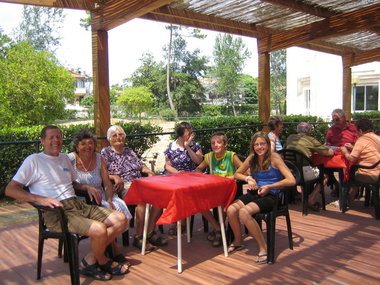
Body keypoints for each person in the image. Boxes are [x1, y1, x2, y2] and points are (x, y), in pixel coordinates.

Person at [5, 125, 129, 281]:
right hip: (56, 212)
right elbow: (10, 190)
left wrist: (86, 187)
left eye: (58, 137)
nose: (56, 140)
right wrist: (40, 199)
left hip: (77, 204)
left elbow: (73, 183)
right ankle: (103, 260)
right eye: (51, 137)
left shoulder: (64, 158)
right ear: (42, 141)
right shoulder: (34, 160)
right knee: (99, 229)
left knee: (120, 220)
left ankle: (90, 260)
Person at [227, 132, 295, 264]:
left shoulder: (274, 158)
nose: (259, 147)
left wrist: (270, 186)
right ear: (253, 146)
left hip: (272, 195)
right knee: (231, 210)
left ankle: (263, 247)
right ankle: (238, 240)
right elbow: (237, 173)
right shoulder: (252, 158)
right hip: (255, 193)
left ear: (268, 145)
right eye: (256, 144)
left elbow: (291, 180)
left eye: (262, 144)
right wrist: (249, 178)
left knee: (244, 212)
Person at [68, 129, 132, 265]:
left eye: (90, 143)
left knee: (117, 205)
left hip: (101, 195)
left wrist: (109, 198)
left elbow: (107, 182)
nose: (87, 146)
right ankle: (113, 250)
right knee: (108, 215)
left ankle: (98, 252)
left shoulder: (98, 157)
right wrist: (84, 187)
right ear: (77, 146)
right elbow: (68, 184)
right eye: (83, 144)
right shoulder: (70, 159)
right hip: (82, 200)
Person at [101, 125, 167, 251]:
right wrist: (114, 176)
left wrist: (149, 171)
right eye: (114, 135)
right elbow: (102, 172)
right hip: (123, 185)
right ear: (109, 139)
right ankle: (139, 236)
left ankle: (150, 232)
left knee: (160, 197)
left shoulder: (129, 151)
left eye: (121, 134)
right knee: (141, 201)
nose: (118, 137)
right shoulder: (106, 153)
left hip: (139, 182)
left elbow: (140, 166)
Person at [194, 132, 243, 247]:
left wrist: (232, 177)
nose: (215, 145)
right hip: (214, 190)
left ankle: (219, 232)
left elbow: (245, 170)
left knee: (221, 204)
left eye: (219, 142)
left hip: (230, 190)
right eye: (213, 143)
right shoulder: (209, 156)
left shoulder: (231, 156)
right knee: (198, 202)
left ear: (225, 144)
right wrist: (203, 177)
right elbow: (198, 169)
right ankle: (218, 228)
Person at [163, 121, 203, 235]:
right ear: (180, 135)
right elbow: (167, 165)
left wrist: (188, 147)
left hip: (192, 175)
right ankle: (177, 220)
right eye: (188, 134)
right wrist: (177, 173)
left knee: (183, 191)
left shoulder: (195, 146)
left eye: (191, 133)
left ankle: (180, 222)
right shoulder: (171, 147)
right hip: (175, 175)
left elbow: (198, 161)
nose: (191, 136)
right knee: (173, 192)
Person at [286, 122, 334, 211]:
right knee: (325, 176)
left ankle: (304, 197)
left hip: (292, 172)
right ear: (308, 130)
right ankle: (311, 199)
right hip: (305, 173)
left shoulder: (290, 138)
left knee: (305, 168)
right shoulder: (310, 139)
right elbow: (328, 152)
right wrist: (331, 148)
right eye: (311, 130)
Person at [341, 119, 380, 204]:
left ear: (361, 131)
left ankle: (348, 201)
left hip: (369, 174)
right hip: (378, 172)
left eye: (356, 131)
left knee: (349, 177)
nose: (356, 133)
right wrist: (353, 147)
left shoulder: (361, 140)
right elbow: (369, 150)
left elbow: (352, 159)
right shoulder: (377, 138)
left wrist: (345, 152)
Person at [325, 109, 358, 196]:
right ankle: (337, 186)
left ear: (344, 118)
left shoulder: (353, 129)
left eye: (337, 119)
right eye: (333, 120)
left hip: (350, 156)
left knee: (349, 169)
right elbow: (327, 142)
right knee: (324, 166)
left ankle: (349, 188)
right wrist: (327, 145)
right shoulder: (331, 130)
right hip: (335, 156)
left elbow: (360, 145)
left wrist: (351, 147)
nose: (335, 122)